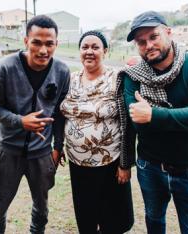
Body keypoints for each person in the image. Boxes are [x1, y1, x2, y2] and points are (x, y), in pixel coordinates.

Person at [124, 11, 188, 234]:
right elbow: (137, 122)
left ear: (168, 32)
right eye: (141, 41)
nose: (148, 45)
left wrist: (154, 115)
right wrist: (184, 117)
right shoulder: (133, 75)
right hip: (150, 167)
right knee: (154, 221)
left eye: (153, 37)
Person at [0, 15, 70, 234]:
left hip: (42, 154)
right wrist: (20, 121)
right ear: (26, 41)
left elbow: (61, 113)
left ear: (56, 44)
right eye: (36, 42)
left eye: (49, 43)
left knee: (41, 209)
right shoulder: (5, 67)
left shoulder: (62, 71)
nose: (43, 50)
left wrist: (58, 147)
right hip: (8, 152)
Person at [60, 30, 134, 234]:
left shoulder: (118, 78)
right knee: (86, 215)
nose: (89, 51)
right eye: (85, 47)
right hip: (78, 163)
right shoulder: (69, 79)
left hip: (110, 162)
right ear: (79, 51)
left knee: (113, 219)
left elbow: (127, 122)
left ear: (105, 51)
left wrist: (125, 163)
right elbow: (60, 115)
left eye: (95, 47)